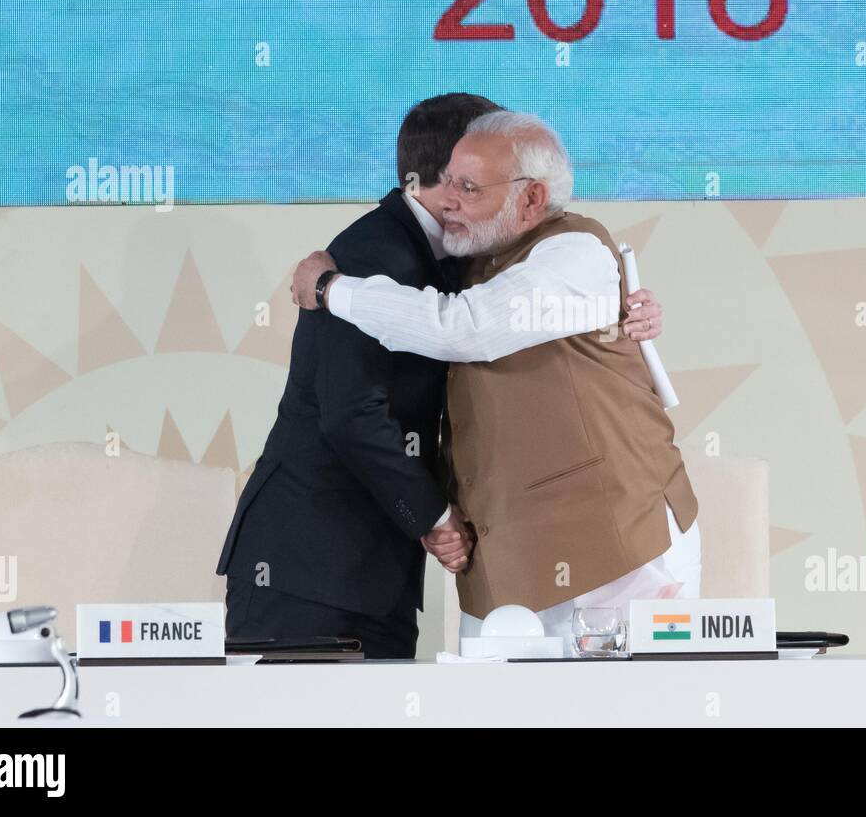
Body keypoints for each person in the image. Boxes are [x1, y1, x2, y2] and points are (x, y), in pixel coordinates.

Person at [217, 95, 664, 658]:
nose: (467, 198)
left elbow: (502, 314)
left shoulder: (460, 251)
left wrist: (624, 308)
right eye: (467, 181)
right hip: (307, 567)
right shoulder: (370, 252)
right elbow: (353, 414)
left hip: (374, 572)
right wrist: (435, 517)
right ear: (443, 173)